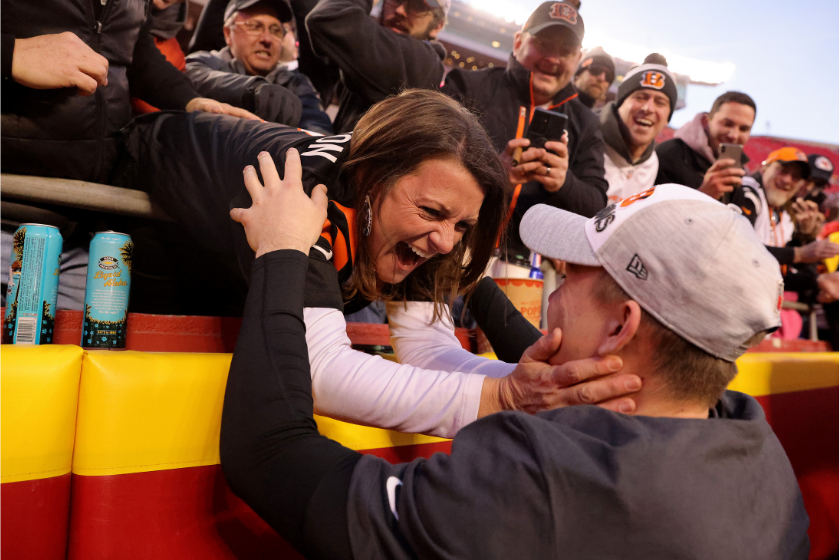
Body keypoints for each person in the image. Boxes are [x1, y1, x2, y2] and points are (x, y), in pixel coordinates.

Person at [219, 180, 809, 559]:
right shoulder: (753, 441)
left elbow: (267, 455)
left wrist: (281, 251)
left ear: (621, 326)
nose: (555, 281)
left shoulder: (543, 484)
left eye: (573, 271)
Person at [122, 89, 640, 437]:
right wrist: (509, 396)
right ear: (370, 178)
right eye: (432, 213)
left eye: (462, 225)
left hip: (215, 261)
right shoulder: (307, 189)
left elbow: (426, 352)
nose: (444, 240)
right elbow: (318, 373)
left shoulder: (438, 201)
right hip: (136, 220)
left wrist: (533, 389)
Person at [442, 1, 608, 262]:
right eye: (543, 43)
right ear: (518, 42)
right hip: (447, 249)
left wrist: (563, 183)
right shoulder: (467, 87)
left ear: (578, 59)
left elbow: (597, 207)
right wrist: (496, 175)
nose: (553, 58)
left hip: (523, 268)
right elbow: (427, 167)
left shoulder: (585, 122)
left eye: (566, 50)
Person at [186, 0, 333, 133]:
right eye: (255, 26)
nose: (267, 39)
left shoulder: (297, 83)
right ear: (228, 34)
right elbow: (192, 76)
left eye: (275, 30)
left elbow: (317, 128)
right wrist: (252, 90)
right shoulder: (204, 62)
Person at [306, 0, 450, 133]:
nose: (400, 10)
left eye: (418, 6)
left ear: (437, 27)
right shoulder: (377, 51)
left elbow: (327, 17)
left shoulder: (422, 61)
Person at [599, 53, 676, 203]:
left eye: (660, 102)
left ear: (667, 118)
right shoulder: (586, 138)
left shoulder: (652, 163)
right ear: (620, 104)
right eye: (640, 97)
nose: (648, 108)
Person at [655, 91, 755, 200]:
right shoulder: (668, 155)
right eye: (727, 124)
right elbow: (653, 213)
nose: (734, 135)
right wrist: (703, 195)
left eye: (744, 129)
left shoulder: (743, 173)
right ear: (706, 121)